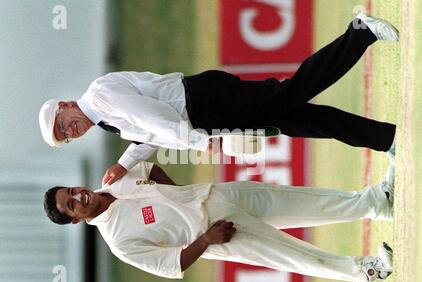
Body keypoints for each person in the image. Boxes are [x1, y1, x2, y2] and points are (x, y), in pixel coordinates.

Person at [39, 13, 398, 186]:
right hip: (203, 112)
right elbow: (147, 134)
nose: (70, 130)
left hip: (205, 102)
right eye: (66, 136)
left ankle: (360, 33)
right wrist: (125, 163)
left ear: (66, 104)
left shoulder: (99, 97)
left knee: (292, 92)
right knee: (296, 118)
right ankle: (385, 138)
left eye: (62, 123)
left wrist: (196, 141)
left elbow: (151, 118)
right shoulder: (101, 117)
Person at [43, 159, 395, 282]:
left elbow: (148, 168)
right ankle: (365, 271)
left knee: (300, 201)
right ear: (75, 220)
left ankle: (377, 202)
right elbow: (172, 264)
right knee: (293, 254)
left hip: (217, 194)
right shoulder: (119, 242)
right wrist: (207, 239)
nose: (78, 197)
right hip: (222, 234)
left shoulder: (113, 179)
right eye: (71, 205)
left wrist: (180, 194)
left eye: (71, 191)